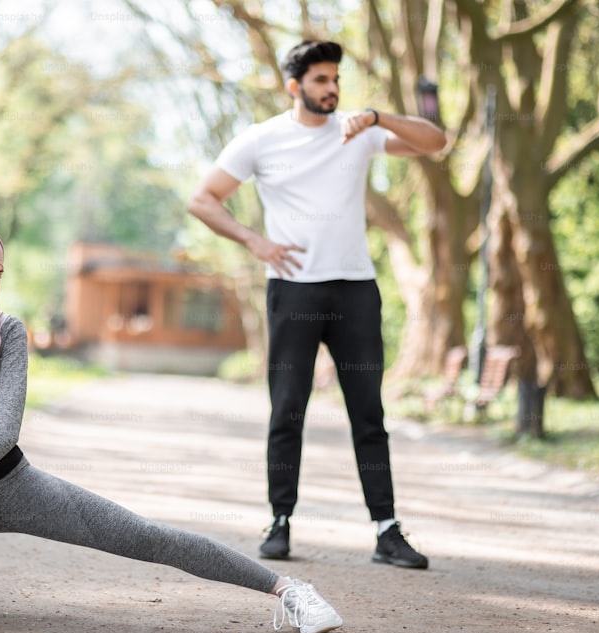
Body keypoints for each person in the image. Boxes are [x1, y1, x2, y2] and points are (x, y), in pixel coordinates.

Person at [0, 222, 344, 633]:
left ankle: (288, 590)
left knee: (144, 536)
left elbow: (3, 433)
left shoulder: (6, 332)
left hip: (12, 490)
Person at [186, 40, 446, 567]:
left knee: (368, 413)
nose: (331, 89)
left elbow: (436, 141)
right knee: (287, 410)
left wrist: (378, 116)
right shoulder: (262, 140)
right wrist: (254, 241)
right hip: (294, 288)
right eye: (321, 80)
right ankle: (280, 522)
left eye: (335, 80)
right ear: (294, 86)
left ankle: (387, 530)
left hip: (355, 288)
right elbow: (202, 198)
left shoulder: (360, 130)